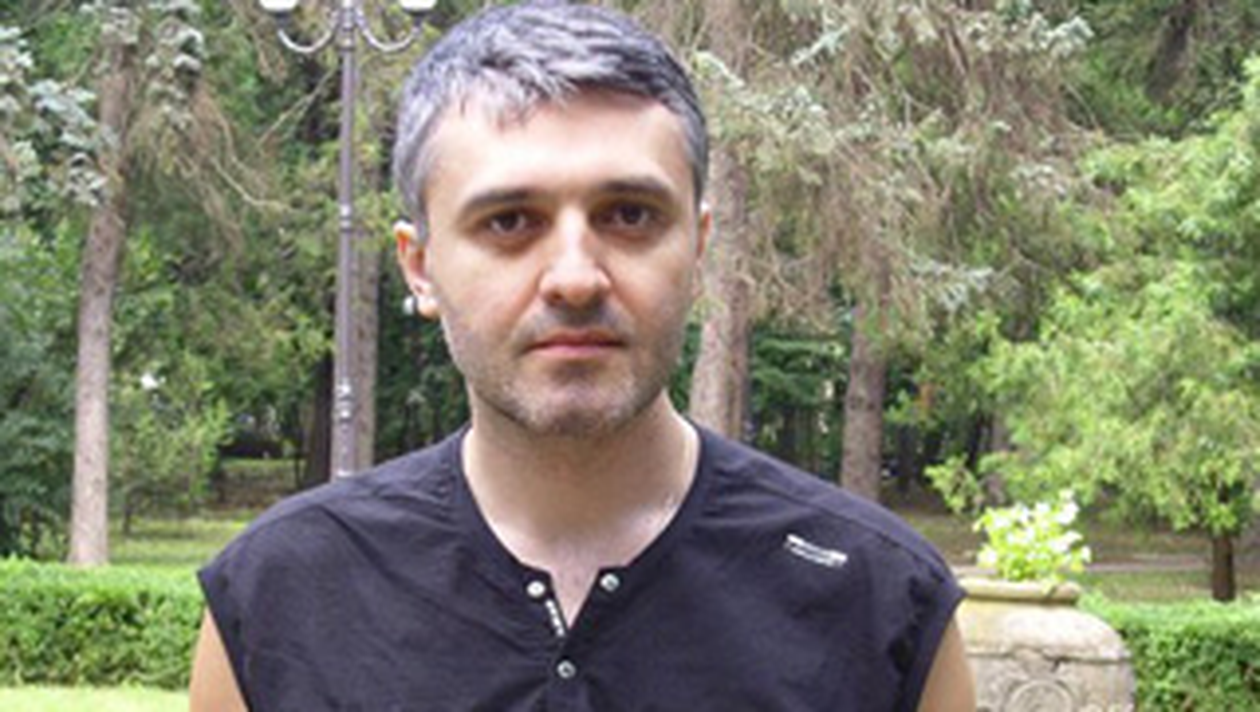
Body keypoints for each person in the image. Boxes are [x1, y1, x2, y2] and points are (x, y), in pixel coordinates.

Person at [189, 2, 975, 710]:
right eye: (509, 222)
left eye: (629, 215)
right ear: (420, 266)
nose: (574, 278)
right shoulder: (280, 601)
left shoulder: (878, 606)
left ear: (698, 248)